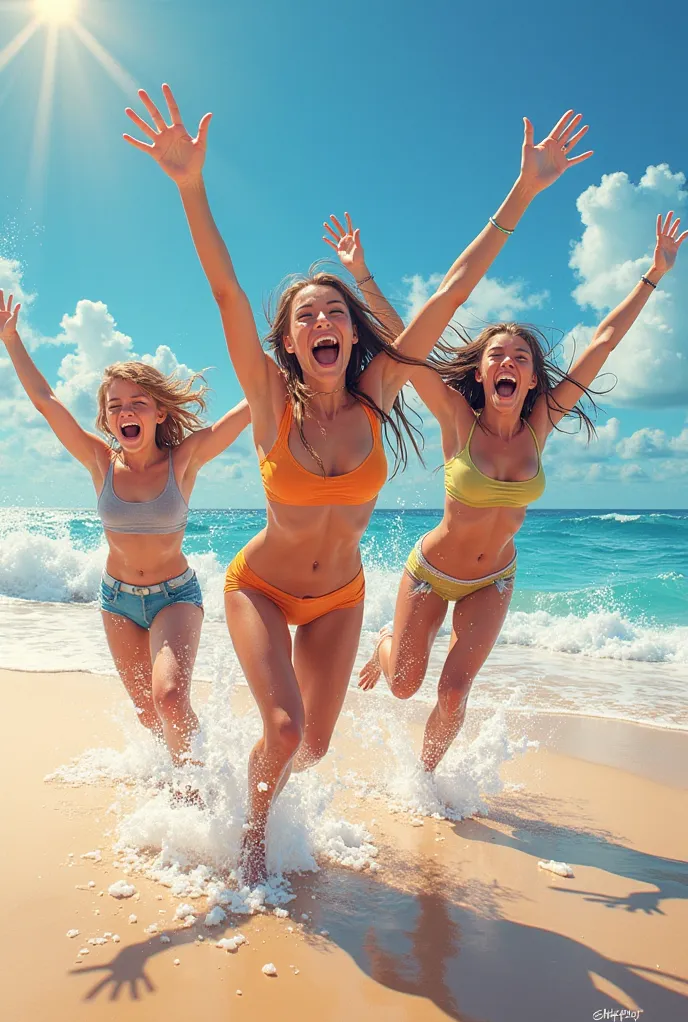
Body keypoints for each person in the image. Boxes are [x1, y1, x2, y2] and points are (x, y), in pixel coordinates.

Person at [123, 82, 591, 883]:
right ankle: (251, 843)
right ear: (290, 341)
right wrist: (190, 187)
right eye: (305, 316)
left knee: (311, 746)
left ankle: (245, 788)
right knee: (280, 729)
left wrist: (525, 188)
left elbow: (451, 290)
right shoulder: (271, 404)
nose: (322, 323)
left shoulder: (379, 398)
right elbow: (227, 292)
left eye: (334, 312)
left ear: (352, 333)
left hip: (341, 599)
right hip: (261, 588)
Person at [359, 211, 686, 773]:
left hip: (495, 579)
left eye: (520, 358)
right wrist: (363, 275)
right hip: (431, 572)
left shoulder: (541, 426)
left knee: (455, 693)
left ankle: (424, 781)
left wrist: (653, 275)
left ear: (533, 379)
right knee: (405, 686)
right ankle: (387, 642)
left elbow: (604, 341)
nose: (508, 363)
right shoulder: (457, 419)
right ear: (482, 374)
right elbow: (409, 349)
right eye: (496, 356)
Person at [0, 295, 249, 771]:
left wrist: (285, 367)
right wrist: (11, 340)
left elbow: (246, 410)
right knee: (148, 713)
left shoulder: (185, 458)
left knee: (171, 699)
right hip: (116, 600)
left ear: (159, 412)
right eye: (116, 406)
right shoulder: (99, 461)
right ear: (107, 418)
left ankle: (198, 789)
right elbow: (46, 402)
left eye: (138, 403)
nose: (126, 411)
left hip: (175, 596)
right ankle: (190, 768)